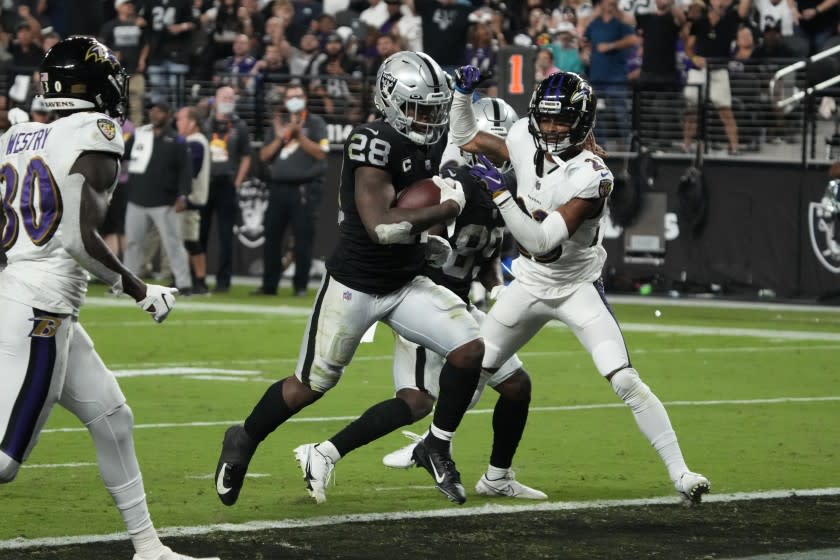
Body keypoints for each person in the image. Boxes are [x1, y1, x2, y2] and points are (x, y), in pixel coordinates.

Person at [214, 51, 484, 506]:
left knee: (469, 348)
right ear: (391, 100)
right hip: (354, 284)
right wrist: (446, 209)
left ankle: (437, 442)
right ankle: (244, 437)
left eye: (434, 110)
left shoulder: (428, 141)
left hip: (404, 283)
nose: (428, 119)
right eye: (419, 108)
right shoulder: (371, 140)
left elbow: (470, 145)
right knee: (309, 386)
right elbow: (382, 225)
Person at [447, 66, 711, 504]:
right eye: (546, 119)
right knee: (475, 371)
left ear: (583, 122)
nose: (551, 129)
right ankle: (434, 446)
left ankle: (681, 473)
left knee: (625, 379)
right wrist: (461, 94)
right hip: (529, 282)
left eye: (561, 120)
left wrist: (500, 196)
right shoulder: (522, 138)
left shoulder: (593, 175)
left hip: (575, 286)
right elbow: (467, 138)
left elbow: (543, 241)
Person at [0, 36, 215, 560]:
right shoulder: (93, 133)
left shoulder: (18, 134)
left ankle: (148, 548)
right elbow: (77, 236)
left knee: (112, 417)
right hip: (40, 311)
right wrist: (139, 289)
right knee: (4, 461)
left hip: (31, 301)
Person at [314, 97, 547, 500]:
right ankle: (326, 453)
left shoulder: (498, 191)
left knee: (515, 386)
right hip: (427, 302)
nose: (503, 152)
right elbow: (407, 226)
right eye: (493, 142)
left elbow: (485, 253)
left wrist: (495, 285)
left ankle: (496, 476)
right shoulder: (448, 183)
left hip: (461, 307)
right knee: (418, 400)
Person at [252, 85, 329, 297]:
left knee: (303, 240)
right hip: (277, 188)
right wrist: (281, 138)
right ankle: (269, 286)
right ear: (285, 100)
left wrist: (298, 135)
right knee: (272, 238)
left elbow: (322, 153)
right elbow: (264, 156)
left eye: (298, 96)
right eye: (290, 96)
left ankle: (301, 286)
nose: (294, 99)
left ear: (305, 98)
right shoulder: (279, 123)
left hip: (303, 189)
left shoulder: (315, 123)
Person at [123, 98, 194, 294]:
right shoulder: (139, 135)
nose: (154, 114)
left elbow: (185, 170)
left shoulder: (177, 141)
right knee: (132, 244)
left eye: (159, 111)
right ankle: (127, 284)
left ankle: (184, 283)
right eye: (152, 110)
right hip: (137, 197)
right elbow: (122, 154)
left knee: (173, 243)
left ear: (169, 115)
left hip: (165, 201)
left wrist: (183, 196)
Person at [202, 86, 252, 293]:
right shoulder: (205, 123)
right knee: (199, 234)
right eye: (224, 96)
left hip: (227, 182)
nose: (228, 100)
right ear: (215, 99)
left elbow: (247, 156)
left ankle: (223, 281)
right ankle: (198, 278)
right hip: (205, 183)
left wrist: (237, 182)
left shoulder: (239, 126)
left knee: (225, 235)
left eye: (231, 97)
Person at [175, 105, 211, 295]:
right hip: (189, 198)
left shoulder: (195, 143)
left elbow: (191, 170)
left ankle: (198, 281)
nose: (178, 122)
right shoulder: (192, 141)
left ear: (193, 122)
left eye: (181, 119)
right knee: (188, 240)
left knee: (187, 241)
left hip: (189, 199)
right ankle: (192, 280)